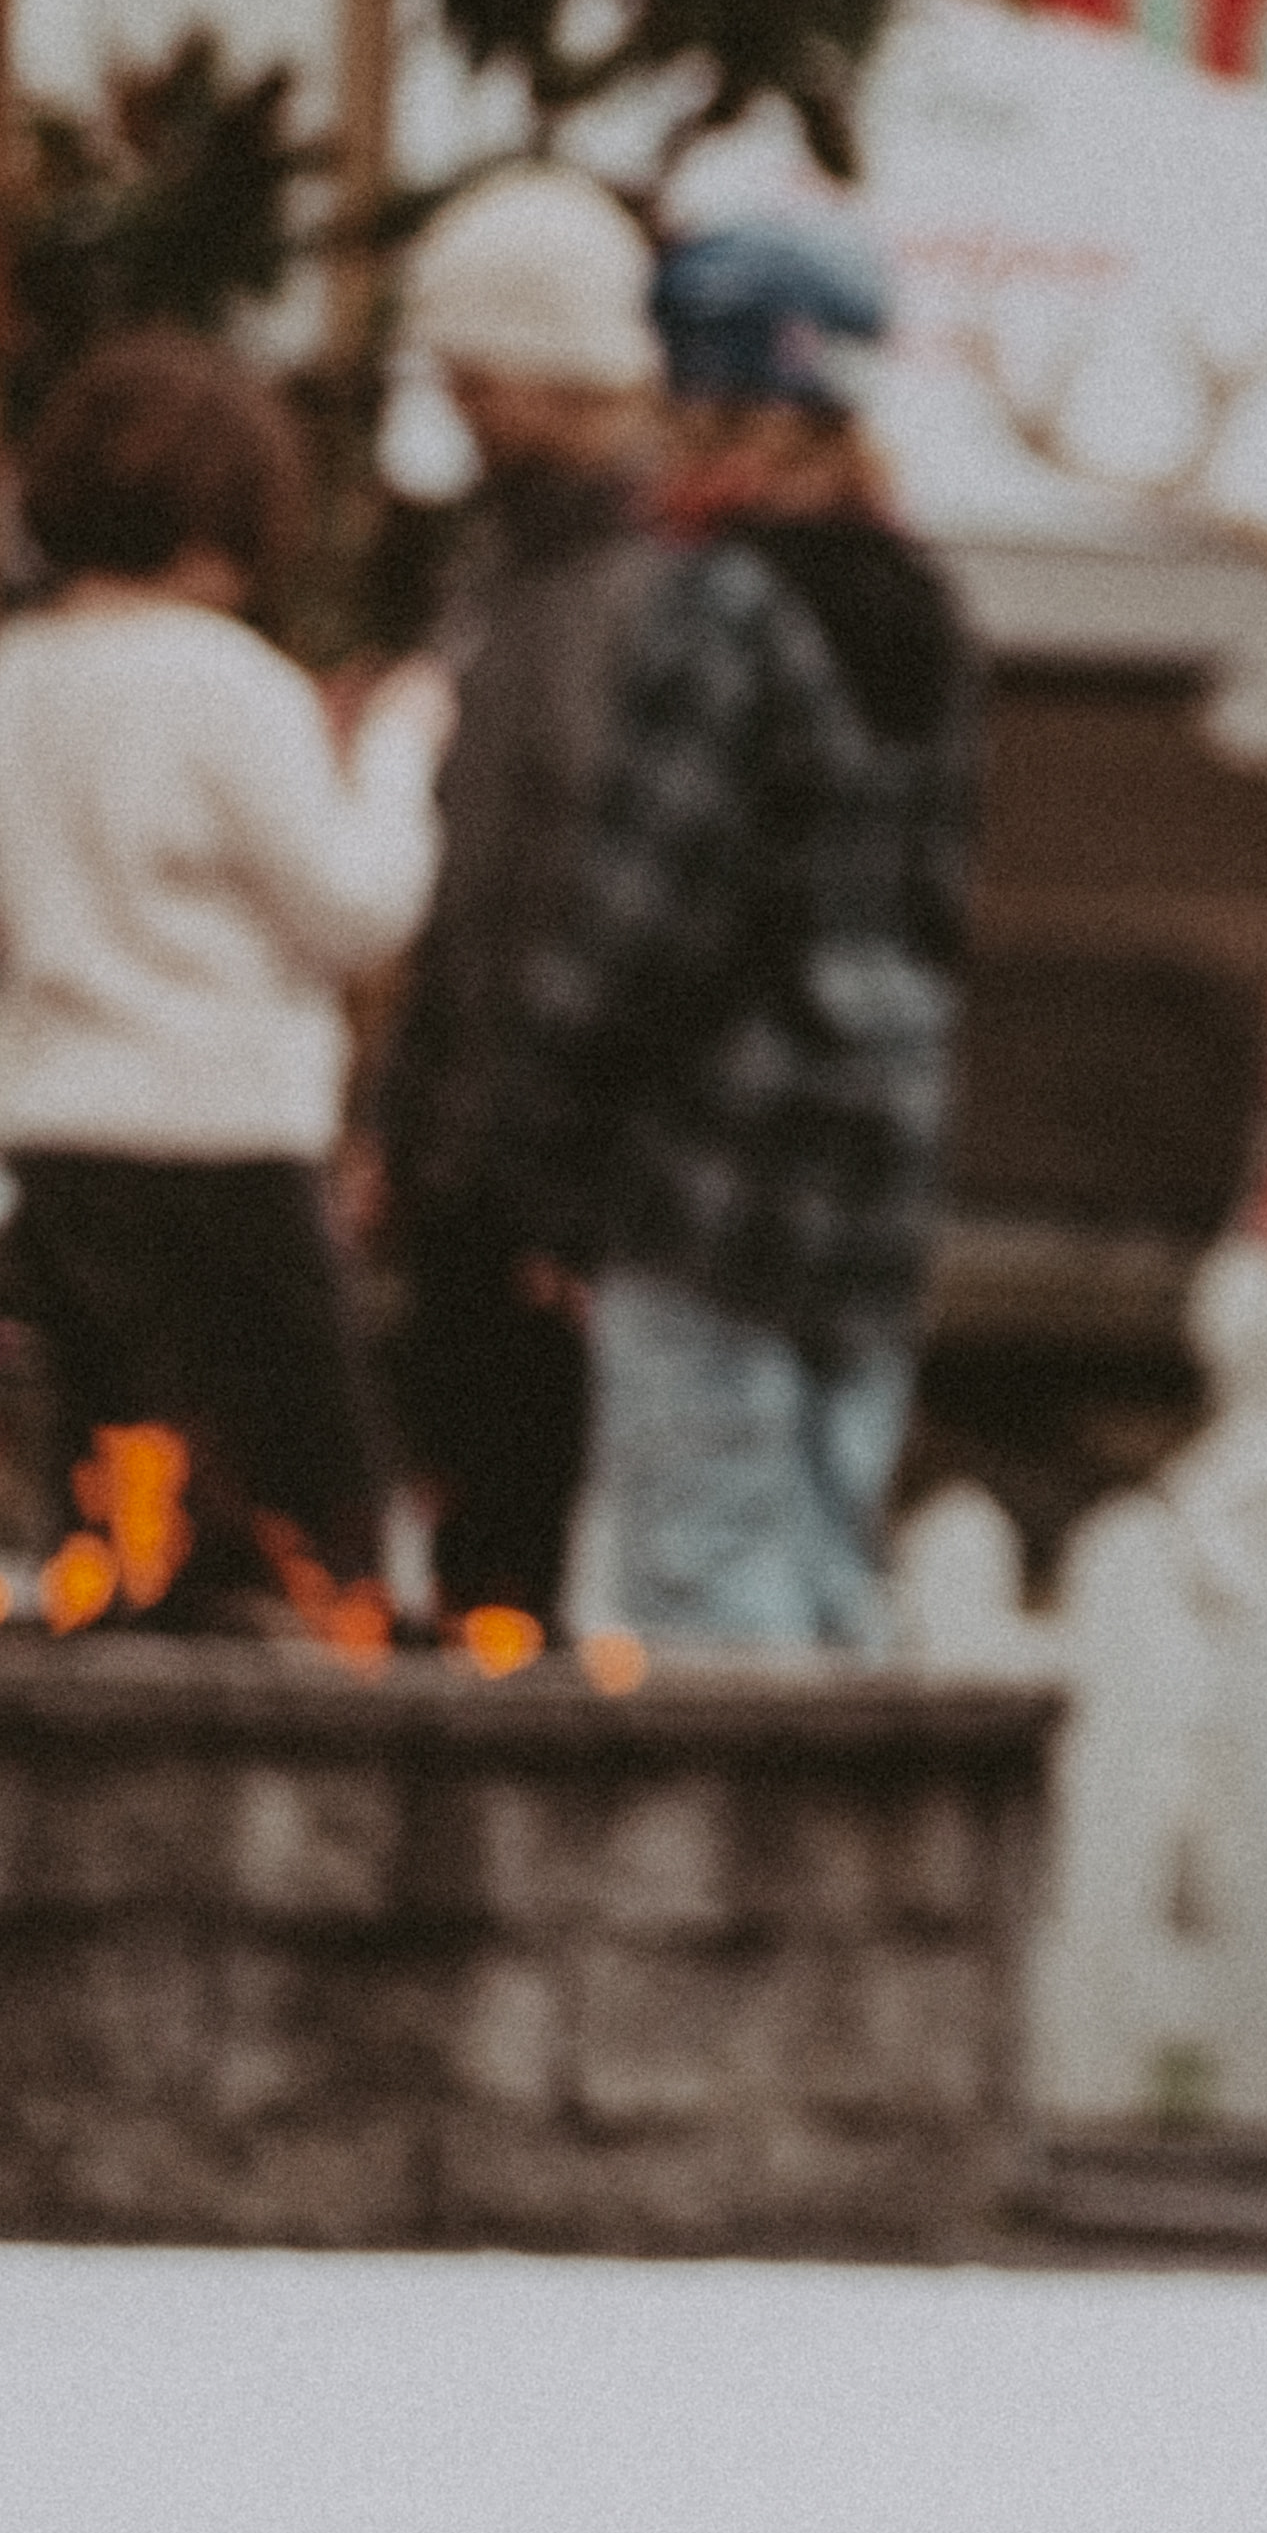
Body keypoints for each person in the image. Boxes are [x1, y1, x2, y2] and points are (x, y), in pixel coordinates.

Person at [487, 211, 980, 1660]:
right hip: (878, 1164)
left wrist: (544, 1163)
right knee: (834, 1563)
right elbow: (934, 907)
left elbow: (643, 916)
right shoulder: (927, 609)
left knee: (704, 1576)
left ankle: (749, 1891)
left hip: (709, 1171)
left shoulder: (722, 605)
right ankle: (860, 1884)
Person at [0, 328, 440, 1623]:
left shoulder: (15, 674)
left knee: (116, 1517)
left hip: (59, 1130)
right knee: (315, 1525)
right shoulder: (234, 684)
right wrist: (396, 756)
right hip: (224, 1137)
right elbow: (354, 907)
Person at [361, 165, 666, 1634]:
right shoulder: (509, 580)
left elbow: (583, 900)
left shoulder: (621, 597)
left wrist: (562, 1178)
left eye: (482, 378)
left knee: (518, 1558)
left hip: (546, 1177)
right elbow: (473, 885)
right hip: (483, 1162)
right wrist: (407, 1118)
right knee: (479, 1542)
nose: (467, 411)